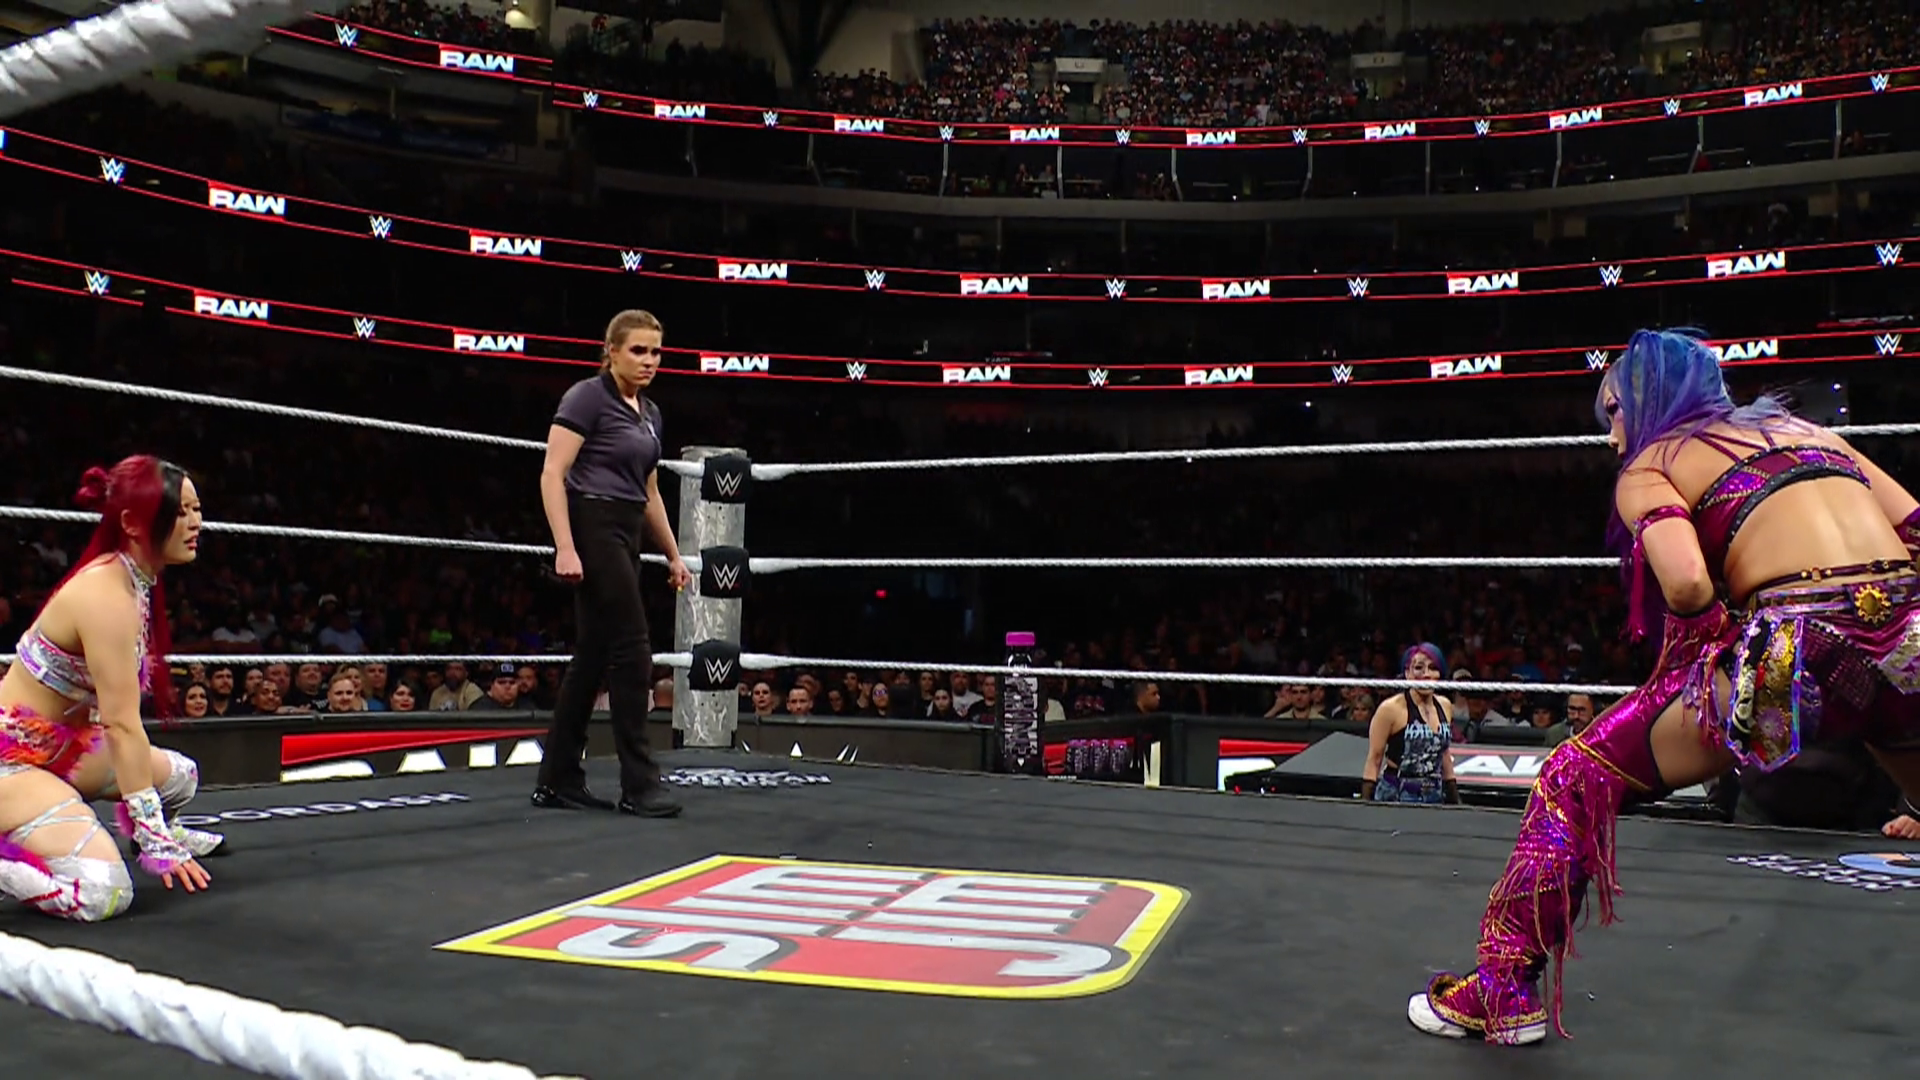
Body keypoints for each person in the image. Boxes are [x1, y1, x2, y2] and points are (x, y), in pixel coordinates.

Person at [1408, 328, 1920, 1045]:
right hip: (1910, 637)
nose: (1611, 435)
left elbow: (1685, 584)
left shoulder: (1655, 462)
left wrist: (1711, 656)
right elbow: (1915, 528)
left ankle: (1503, 992)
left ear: (1642, 401)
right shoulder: (1812, 434)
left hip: (1794, 654)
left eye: (1614, 411)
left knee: (1573, 776)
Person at [0, 457, 224, 921]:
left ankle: (148, 826)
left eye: (196, 509)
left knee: (180, 777)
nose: (195, 523)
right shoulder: (105, 596)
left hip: (65, 748)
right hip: (11, 761)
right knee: (104, 894)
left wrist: (154, 822)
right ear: (132, 523)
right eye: (180, 511)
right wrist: (154, 839)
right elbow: (122, 725)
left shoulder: (132, 581)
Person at [532, 310, 692, 819]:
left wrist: (673, 554)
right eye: (638, 350)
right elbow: (552, 473)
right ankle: (639, 784)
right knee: (633, 647)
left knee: (593, 656)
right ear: (612, 351)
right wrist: (565, 546)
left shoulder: (649, 412)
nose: (649, 361)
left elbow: (649, 492)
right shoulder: (586, 397)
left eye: (656, 352)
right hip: (592, 522)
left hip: (626, 526)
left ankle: (557, 779)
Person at [1362, 643, 1460, 804]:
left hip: (1433, 792)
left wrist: (1454, 795)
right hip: (1397, 793)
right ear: (1407, 673)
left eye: (1432, 668)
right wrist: (1365, 803)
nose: (1426, 674)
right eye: (1419, 668)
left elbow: (1444, 753)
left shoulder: (1445, 706)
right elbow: (1375, 758)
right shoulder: (1391, 709)